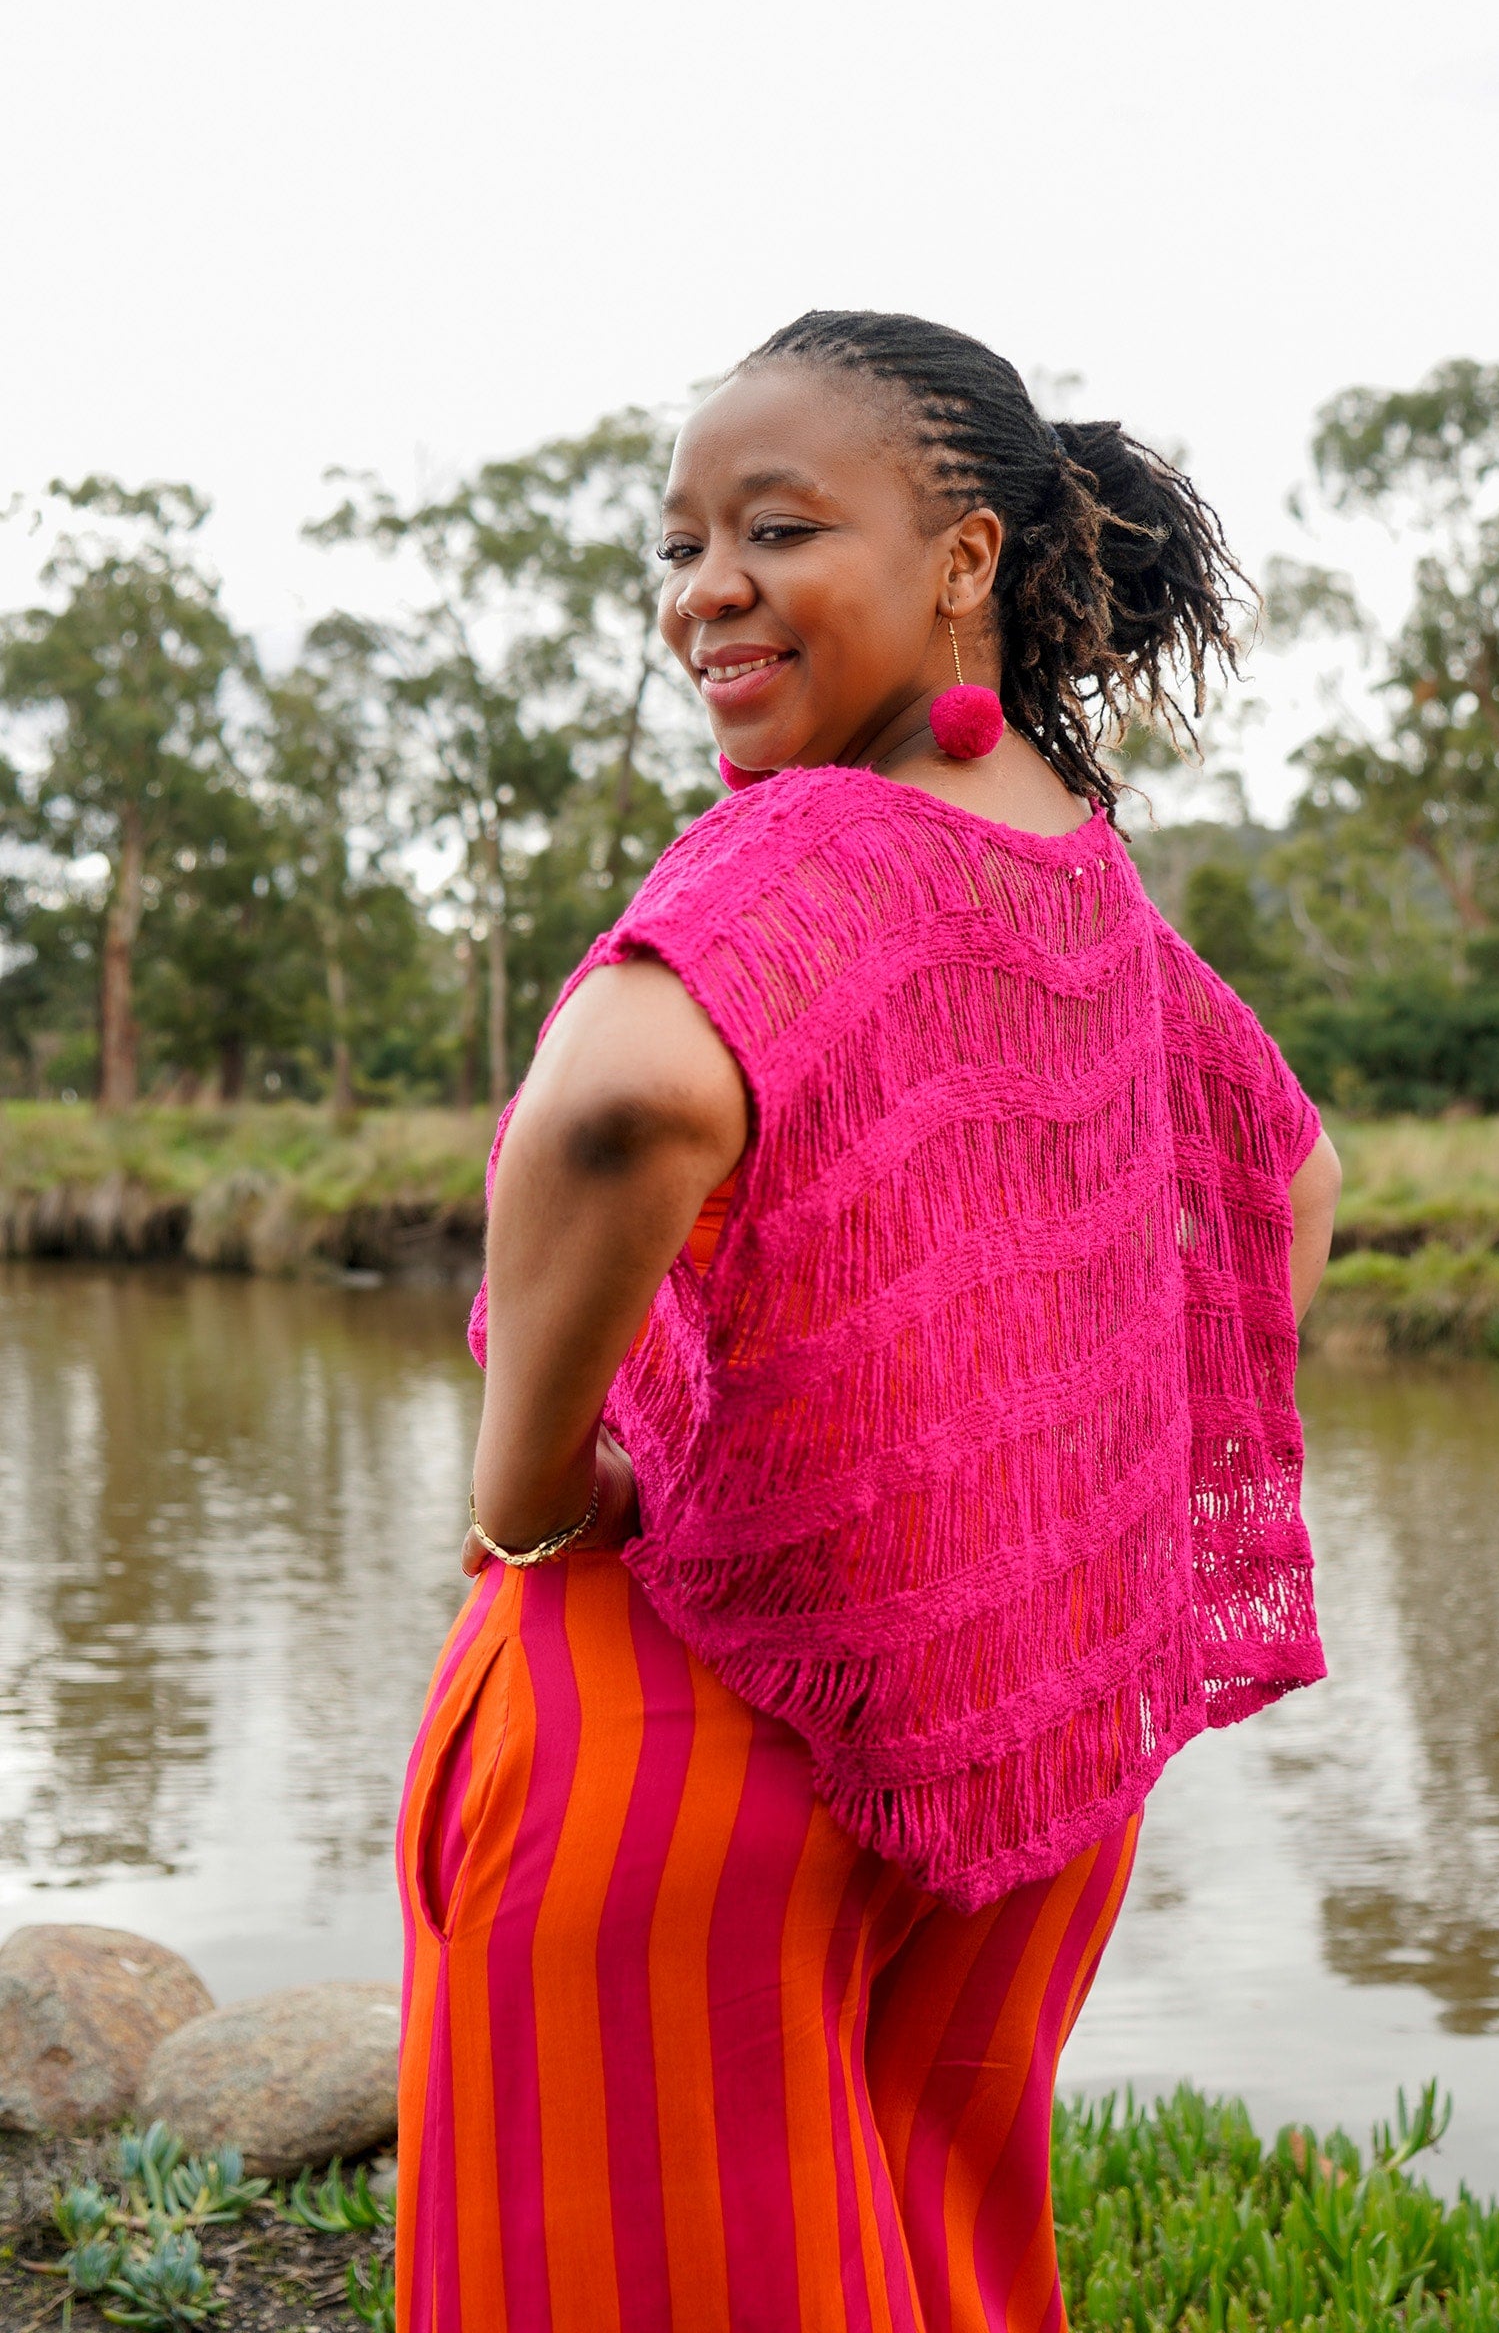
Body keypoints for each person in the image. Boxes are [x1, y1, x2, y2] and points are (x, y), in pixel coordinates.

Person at [394, 310, 1342, 2333]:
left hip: (682, 1727)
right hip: (1012, 1759)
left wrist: (528, 1495)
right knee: (926, 2268)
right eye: (679, 546)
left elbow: (614, 1109)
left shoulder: (809, 847)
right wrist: (1061, 1516)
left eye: (777, 528)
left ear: (965, 557)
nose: (704, 590)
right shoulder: (1085, 891)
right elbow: (1293, 1179)